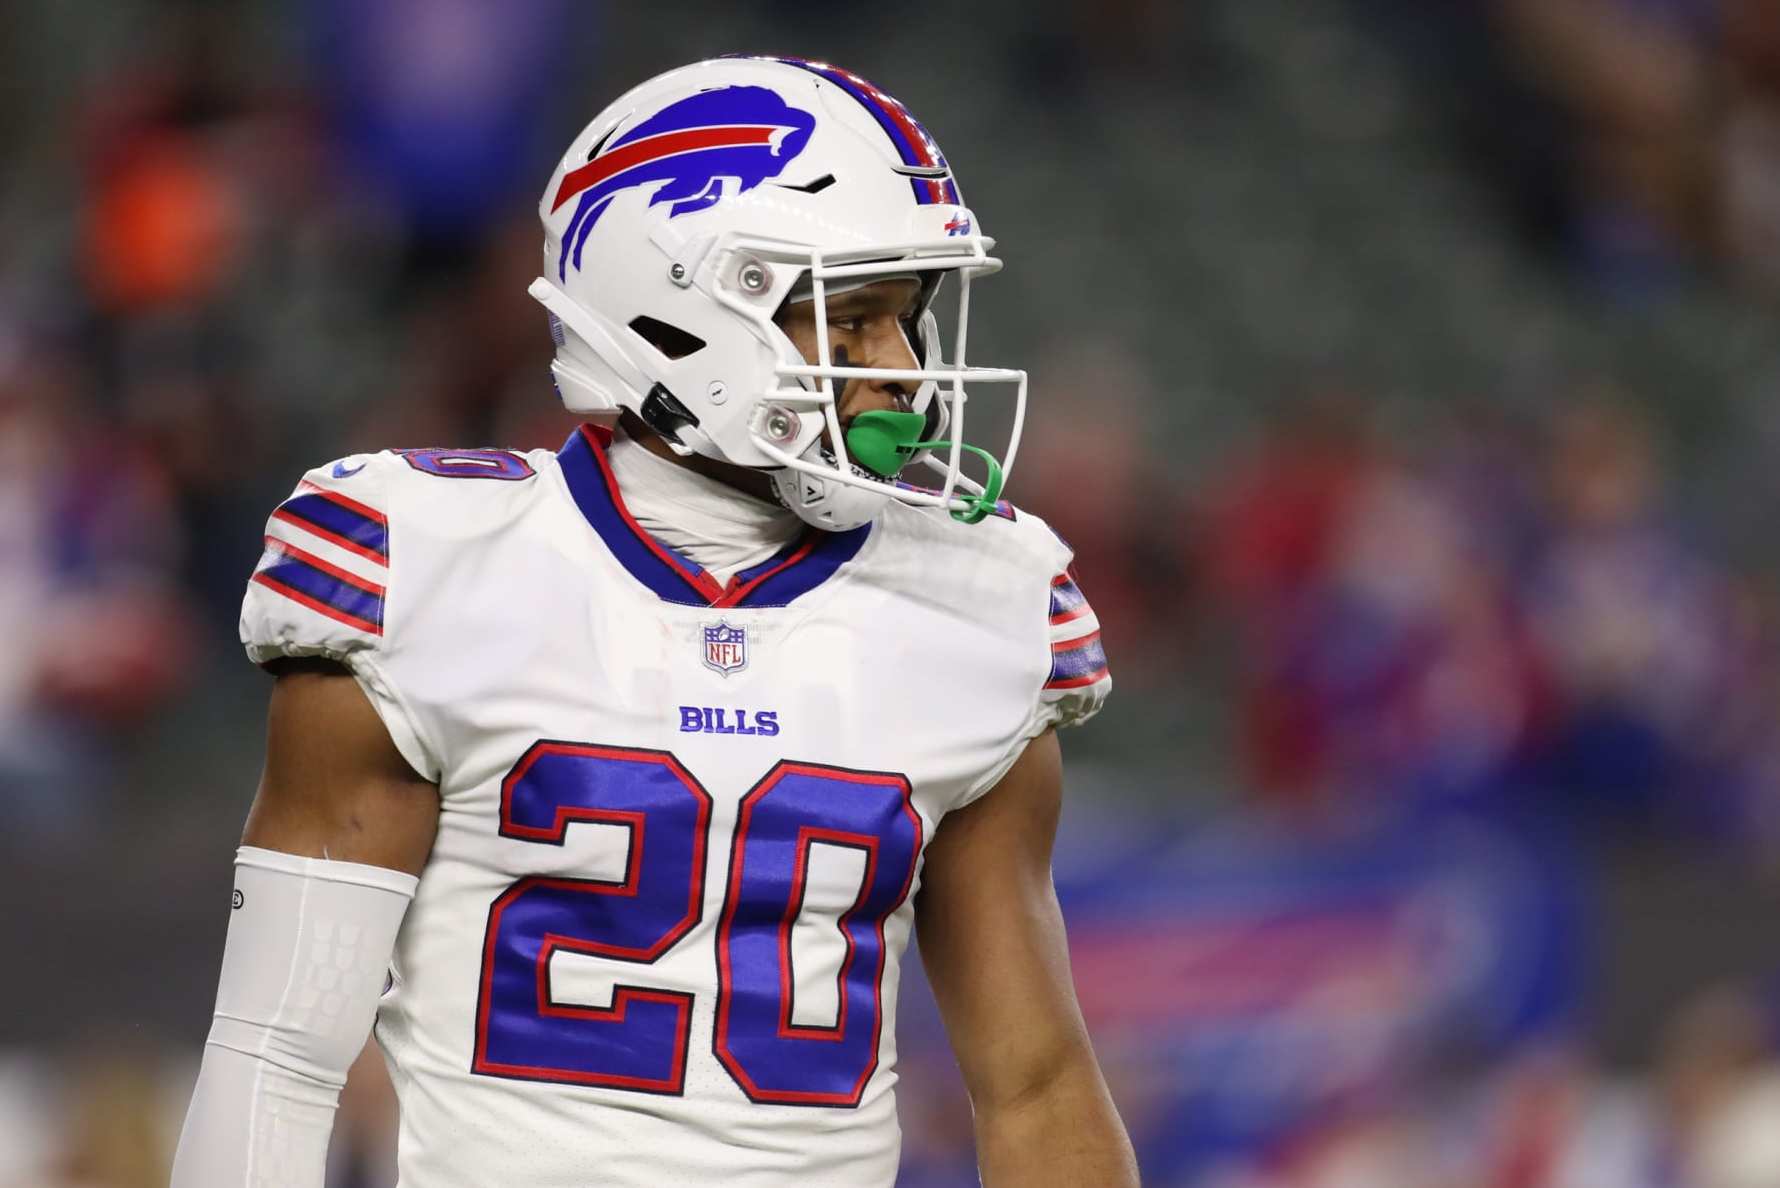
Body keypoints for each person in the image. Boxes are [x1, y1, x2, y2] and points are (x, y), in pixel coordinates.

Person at [171, 55, 1137, 1187]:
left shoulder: (981, 603)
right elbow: (279, 1054)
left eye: (907, 318)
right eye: (854, 319)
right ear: (677, 313)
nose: (904, 373)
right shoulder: (430, 562)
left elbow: (1035, 1086)